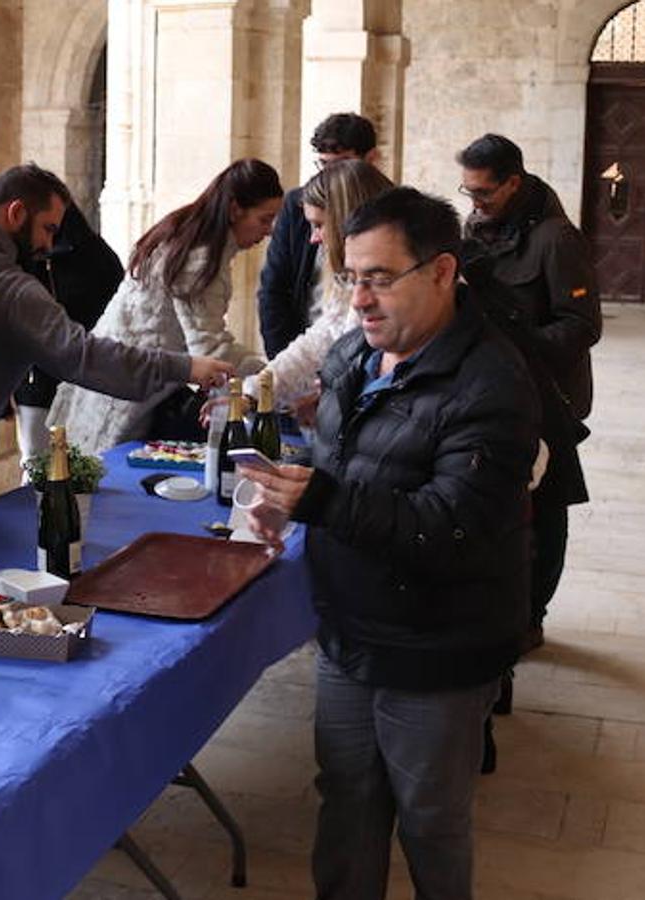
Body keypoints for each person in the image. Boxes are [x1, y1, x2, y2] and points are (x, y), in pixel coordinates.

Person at [239, 188, 539, 900]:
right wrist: (291, 505)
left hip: (437, 645)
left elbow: (449, 527)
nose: (361, 299)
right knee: (346, 802)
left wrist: (322, 500)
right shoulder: (351, 356)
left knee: (430, 820)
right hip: (351, 630)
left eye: (379, 278)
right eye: (351, 277)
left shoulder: (491, 386)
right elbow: (340, 467)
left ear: (441, 272)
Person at [0, 163, 234, 529]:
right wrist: (184, 367)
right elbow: (84, 356)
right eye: (48, 228)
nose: (50, 245)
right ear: (16, 212)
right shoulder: (9, 289)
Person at [457, 133, 599, 651]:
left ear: (513, 182)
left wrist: (517, 349)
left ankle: (532, 617)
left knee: (546, 505)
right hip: (490, 387)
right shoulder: (478, 224)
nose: (475, 203)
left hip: (547, 395)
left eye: (485, 193)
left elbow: (581, 326)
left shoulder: (557, 239)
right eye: (468, 192)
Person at [48, 159, 281, 455]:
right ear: (235, 209)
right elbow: (209, 348)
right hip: (125, 386)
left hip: (118, 373)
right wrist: (272, 377)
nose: (270, 230)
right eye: (264, 219)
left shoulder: (191, 234)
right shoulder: (200, 256)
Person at [220, 160, 395, 420]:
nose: (313, 238)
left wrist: (332, 394)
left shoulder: (401, 288)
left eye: (320, 225)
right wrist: (255, 392)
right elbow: (319, 342)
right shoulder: (344, 280)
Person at [258, 113, 378, 357]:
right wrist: (279, 367)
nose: (330, 175)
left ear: (371, 158)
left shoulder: (389, 215)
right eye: (324, 165)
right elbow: (274, 289)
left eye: (342, 163)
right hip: (308, 350)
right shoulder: (298, 203)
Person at [13, 202, 125, 466]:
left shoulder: (94, 258)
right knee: (40, 463)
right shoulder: (98, 255)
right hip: (43, 380)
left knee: (55, 462)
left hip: (73, 376)